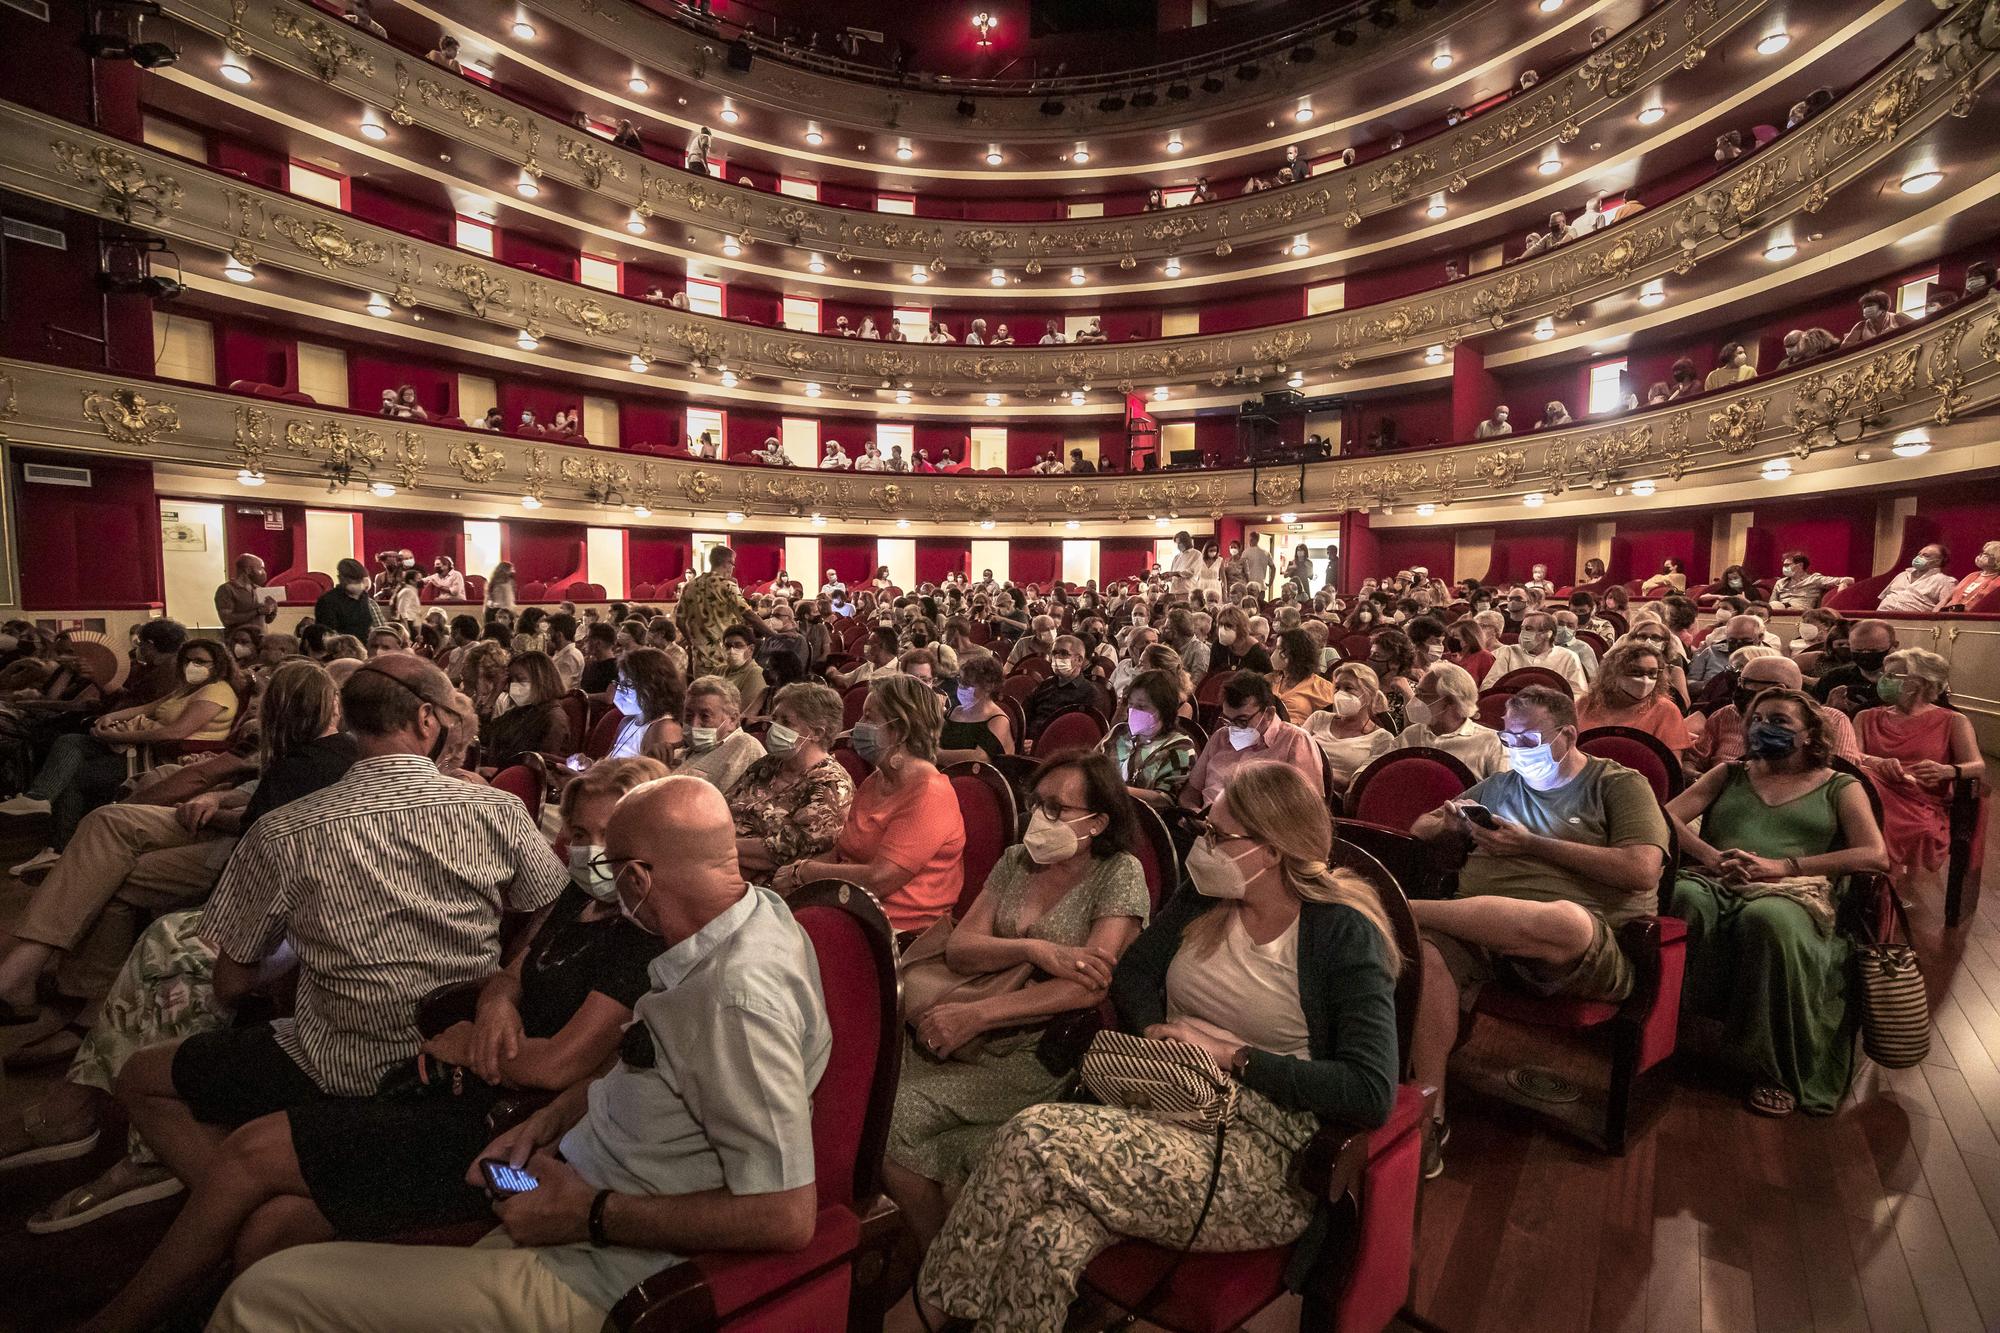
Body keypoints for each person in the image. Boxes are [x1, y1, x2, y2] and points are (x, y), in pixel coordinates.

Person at [201, 776, 830, 1333]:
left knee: (265, 1293)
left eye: (611, 867)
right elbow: (647, 1057)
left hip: (604, 1264)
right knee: (284, 1230)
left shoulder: (737, 1000)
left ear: (637, 878)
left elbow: (784, 1216)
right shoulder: (749, 916)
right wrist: (542, 1126)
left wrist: (589, 1215)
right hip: (554, 1173)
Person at [75, 758, 669, 1330]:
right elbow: (509, 971)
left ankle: (121, 1320)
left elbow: (561, 1066)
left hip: (514, 1156)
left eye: (611, 836)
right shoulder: (579, 895)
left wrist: (470, 1046)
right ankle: (220, 1302)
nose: (595, 851)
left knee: (252, 1152)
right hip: (458, 1098)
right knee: (271, 1226)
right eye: (583, 832)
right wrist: (494, 1004)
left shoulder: (641, 935)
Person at [916, 761, 1399, 1331]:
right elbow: (1133, 976)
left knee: (1031, 1137)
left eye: (1219, 835)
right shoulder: (1205, 899)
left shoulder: (1340, 933)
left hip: (1263, 1148)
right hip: (1161, 1093)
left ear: (1270, 851)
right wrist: (1154, 1032)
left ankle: (938, 1315)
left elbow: (1370, 1091)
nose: (1203, 844)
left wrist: (1233, 1055)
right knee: (1045, 1239)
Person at [107, 657, 567, 1249]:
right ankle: (263, 1208)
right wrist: (504, 976)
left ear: (349, 724)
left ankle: (233, 1210)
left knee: (139, 1076)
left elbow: (230, 984)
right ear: (428, 721)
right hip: (459, 1054)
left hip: (339, 1058)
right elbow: (554, 906)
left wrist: (310, 947)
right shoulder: (492, 809)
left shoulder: (285, 829)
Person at [883, 754, 1149, 1247]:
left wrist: (978, 1014)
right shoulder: (1016, 861)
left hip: (1035, 1049)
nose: (1038, 819)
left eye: (1056, 808)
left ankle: (939, 1276)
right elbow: (962, 948)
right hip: (963, 1024)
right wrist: (1038, 950)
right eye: (1036, 804)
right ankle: (937, 1257)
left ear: (1098, 821)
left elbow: (1088, 984)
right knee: (864, 1086)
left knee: (893, 1116)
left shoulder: (1118, 873)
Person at [1409, 687, 1670, 1145]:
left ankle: (1399, 909)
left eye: (1527, 741)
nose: (1514, 752)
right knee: (1430, 957)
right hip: (1482, 939)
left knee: (1562, 919)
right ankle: (1430, 1119)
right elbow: (1421, 825)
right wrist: (1449, 821)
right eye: (1507, 741)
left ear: (1566, 735)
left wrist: (1530, 844)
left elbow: (1642, 869)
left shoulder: (1617, 783)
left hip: (1583, 947)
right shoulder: (1501, 785)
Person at [1667, 689, 1888, 1116]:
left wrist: (1784, 866)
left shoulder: (1841, 786)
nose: (1764, 727)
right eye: (1757, 719)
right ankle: (1672, 1031)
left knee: (1769, 921)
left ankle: (1773, 1067)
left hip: (1794, 887)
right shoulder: (1728, 774)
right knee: (1683, 897)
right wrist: (1709, 855)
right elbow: (1665, 816)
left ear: (1809, 734)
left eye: (1781, 721)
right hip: (1716, 877)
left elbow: (1874, 854)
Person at [770, 675, 965, 933]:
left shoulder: (930, 793)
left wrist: (805, 872)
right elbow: (841, 852)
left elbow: (880, 879)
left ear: (900, 730)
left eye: (870, 718)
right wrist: (800, 883)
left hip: (899, 928)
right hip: (850, 906)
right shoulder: (877, 780)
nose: (858, 726)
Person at [1856, 648, 1983, 878]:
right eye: (1884, 675)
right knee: (1861, 788)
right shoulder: (1866, 717)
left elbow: (1977, 765)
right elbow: (1851, 755)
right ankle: (1875, 881)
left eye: (1892, 676)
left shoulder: (1953, 720)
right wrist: (1875, 762)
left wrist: (1947, 770)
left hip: (1920, 795)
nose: (1883, 681)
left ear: (1918, 682)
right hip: (1873, 786)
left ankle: (1885, 883)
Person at [726, 683, 853, 879]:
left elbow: (781, 853)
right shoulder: (768, 765)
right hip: (723, 861)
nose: (774, 727)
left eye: (786, 722)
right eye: (774, 718)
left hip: (766, 886)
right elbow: (726, 806)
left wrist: (718, 846)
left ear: (817, 733)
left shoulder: (831, 784)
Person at [1183, 671, 1325, 809]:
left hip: (1261, 829)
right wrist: (1194, 813)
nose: (1233, 728)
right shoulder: (1221, 736)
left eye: (1242, 720)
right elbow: (1190, 793)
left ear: (1269, 713)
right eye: (1228, 720)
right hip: (1206, 824)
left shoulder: (1295, 741)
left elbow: (1309, 808)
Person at [1393, 662, 1509, 778]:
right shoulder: (1410, 736)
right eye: (1417, 692)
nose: (1415, 699)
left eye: (1422, 694)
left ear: (1450, 701)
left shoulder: (1491, 742)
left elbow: (1505, 792)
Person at [1103, 669, 1198, 810]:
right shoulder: (1119, 733)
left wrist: (1115, 790)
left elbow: (1165, 799)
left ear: (1164, 709)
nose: (1133, 711)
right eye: (1130, 704)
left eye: (1141, 706)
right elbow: (1093, 766)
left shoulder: (1180, 747)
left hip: (1144, 820)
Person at [1576, 641, 1693, 753]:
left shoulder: (1666, 710)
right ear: (1613, 673)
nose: (1645, 680)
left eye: (1652, 673)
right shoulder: (1586, 703)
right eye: (1635, 672)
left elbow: (1670, 765)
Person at [676, 546, 769, 679]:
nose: (733, 568)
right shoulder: (727, 585)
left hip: (700, 660)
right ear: (727, 563)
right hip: (725, 658)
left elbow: (679, 621)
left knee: (703, 696)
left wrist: (693, 642)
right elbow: (748, 614)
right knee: (726, 697)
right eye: (733, 564)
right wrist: (773, 634)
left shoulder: (689, 586)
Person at [1302, 662, 1394, 792]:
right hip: (1299, 786)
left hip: (1334, 800)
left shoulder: (1382, 739)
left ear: (1369, 695)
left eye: (1348, 688)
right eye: (1337, 688)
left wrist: (1316, 769)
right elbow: (1293, 748)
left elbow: (1359, 786)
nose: (1340, 693)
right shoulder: (1319, 718)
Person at [673, 676, 766, 793]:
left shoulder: (745, 747)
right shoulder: (683, 751)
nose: (694, 725)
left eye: (705, 716)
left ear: (732, 720)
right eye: (689, 715)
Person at [482, 650, 571, 764]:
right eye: (511, 680)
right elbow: (484, 736)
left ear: (541, 680)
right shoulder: (520, 712)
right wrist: (493, 695)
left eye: (520, 680)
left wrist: (497, 772)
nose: (513, 686)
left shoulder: (554, 718)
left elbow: (541, 767)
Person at [602, 647, 684, 764]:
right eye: (620, 683)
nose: (620, 690)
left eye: (628, 684)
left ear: (651, 687)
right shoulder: (627, 721)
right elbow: (606, 764)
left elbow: (657, 778)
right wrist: (588, 764)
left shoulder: (665, 728)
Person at [1481, 612, 1587, 693]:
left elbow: (1578, 693)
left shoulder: (1568, 657)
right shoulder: (1506, 652)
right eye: (1522, 628)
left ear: (1547, 634)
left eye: (1529, 629)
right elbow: (1488, 687)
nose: (1523, 633)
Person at [938, 654, 1014, 765]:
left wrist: (937, 755)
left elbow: (980, 758)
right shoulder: (952, 712)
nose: (962, 687)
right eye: (961, 682)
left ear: (988, 686)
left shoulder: (999, 720)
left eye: (967, 684)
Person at [1023, 636, 1098, 744]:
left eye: (1063, 653)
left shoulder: (1090, 693)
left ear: (1079, 660)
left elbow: (1081, 735)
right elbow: (1023, 715)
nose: (1057, 657)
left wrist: (1040, 745)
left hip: (1058, 751)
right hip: (1027, 743)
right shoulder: (1044, 685)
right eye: (1054, 653)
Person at [1268, 627, 1336, 723]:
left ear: (1295, 653)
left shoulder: (1320, 687)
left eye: (1279, 649)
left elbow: (1332, 720)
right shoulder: (1269, 680)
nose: (1274, 653)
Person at [311, 558, 383, 641]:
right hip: (341, 649)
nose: (359, 585)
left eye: (359, 580)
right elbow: (327, 636)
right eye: (354, 580)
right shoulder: (327, 601)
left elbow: (380, 629)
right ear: (341, 578)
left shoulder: (366, 600)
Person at [1876, 543, 1954, 613]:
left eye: (1925, 555)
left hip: (1912, 623)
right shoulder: (1902, 575)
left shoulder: (1946, 581)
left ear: (1938, 561)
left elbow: (1945, 610)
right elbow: (1883, 597)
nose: (1919, 557)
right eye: (1919, 554)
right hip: (1881, 616)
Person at [215, 555, 278, 636]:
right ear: (248, 570)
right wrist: (257, 611)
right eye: (260, 568)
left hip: (260, 639)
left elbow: (267, 620)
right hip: (238, 639)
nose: (263, 572)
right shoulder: (226, 590)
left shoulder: (258, 589)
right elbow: (227, 620)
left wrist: (272, 609)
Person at [1770, 550, 1850, 609]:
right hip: (1779, 611)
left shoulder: (1814, 579)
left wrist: (1842, 586)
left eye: (1787, 565)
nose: (1784, 568)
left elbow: (1849, 580)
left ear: (1800, 565)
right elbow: (1770, 603)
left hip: (1800, 614)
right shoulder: (1780, 582)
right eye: (1784, 565)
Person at [1841, 289, 1910, 348]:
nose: (1866, 309)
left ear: (1883, 307)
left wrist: (1895, 333)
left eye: (1870, 305)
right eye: (1864, 307)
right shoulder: (1861, 326)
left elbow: (1918, 328)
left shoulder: (1897, 318)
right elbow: (1844, 346)